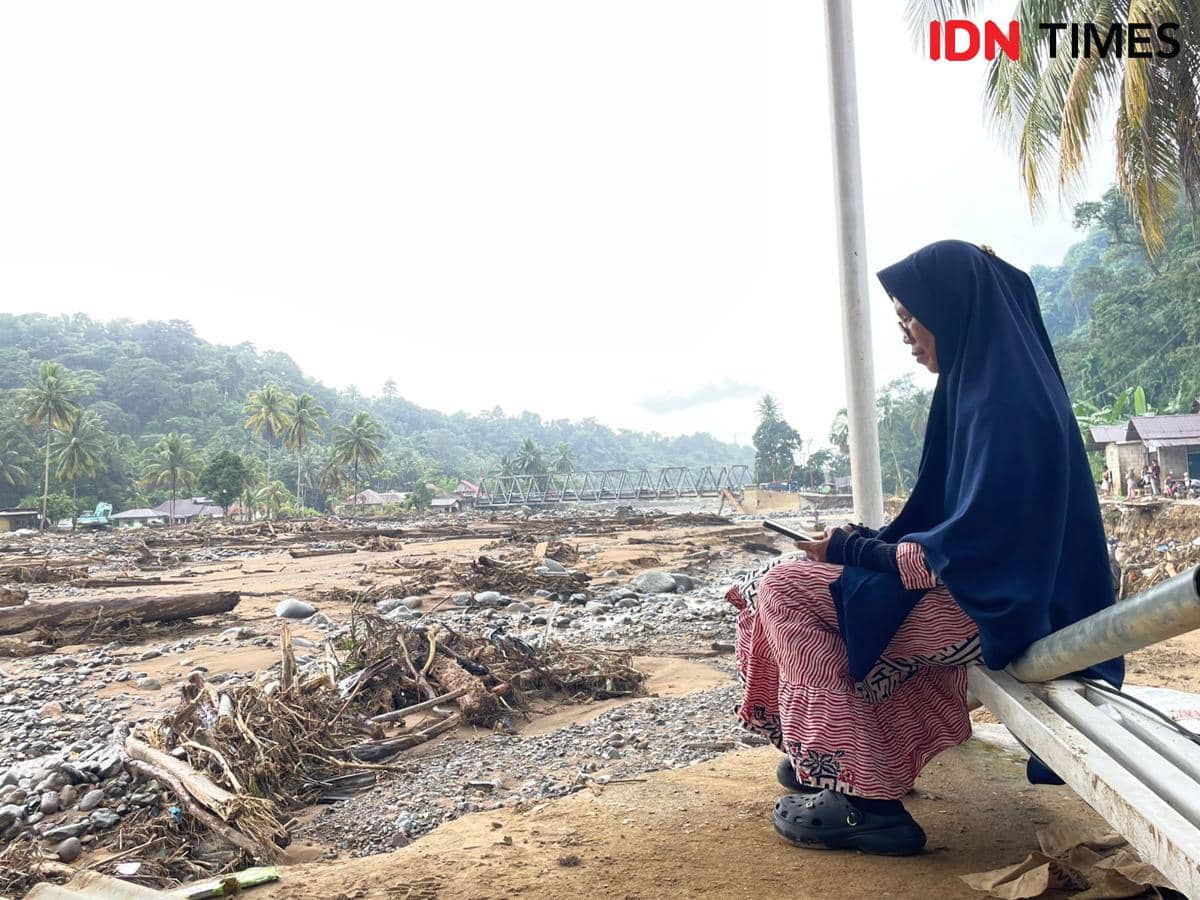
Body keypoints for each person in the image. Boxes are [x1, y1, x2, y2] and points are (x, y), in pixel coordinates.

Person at [727, 241, 1122, 855]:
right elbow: (956, 528)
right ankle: (841, 758)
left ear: (952, 308)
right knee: (796, 584)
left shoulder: (1002, 405)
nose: (907, 334)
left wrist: (852, 552)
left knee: (780, 590)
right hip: (1008, 593)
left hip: (1009, 608)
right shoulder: (995, 385)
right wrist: (853, 545)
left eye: (911, 317)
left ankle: (863, 800)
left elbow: (951, 553)